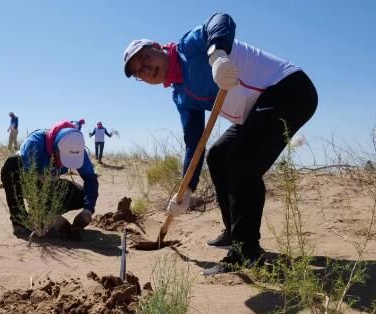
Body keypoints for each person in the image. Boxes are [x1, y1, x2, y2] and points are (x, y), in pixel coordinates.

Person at [123, 13, 317, 271]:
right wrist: (186, 189)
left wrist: (217, 55)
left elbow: (220, 19)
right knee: (218, 154)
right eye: (139, 72)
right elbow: (194, 144)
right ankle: (234, 231)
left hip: (289, 90)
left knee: (241, 162)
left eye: (144, 58)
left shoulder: (189, 48)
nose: (145, 69)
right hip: (256, 111)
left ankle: (246, 252)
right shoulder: (181, 96)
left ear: (157, 47)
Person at [1, 120, 99, 239]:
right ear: (56, 147)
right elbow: (29, 182)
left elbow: (90, 179)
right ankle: (20, 221)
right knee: (11, 164)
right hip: (27, 183)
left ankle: (43, 216)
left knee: (82, 195)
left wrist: (87, 211)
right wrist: (49, 216)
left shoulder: (77, 149)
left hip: (50, 184)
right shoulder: (35, 143)